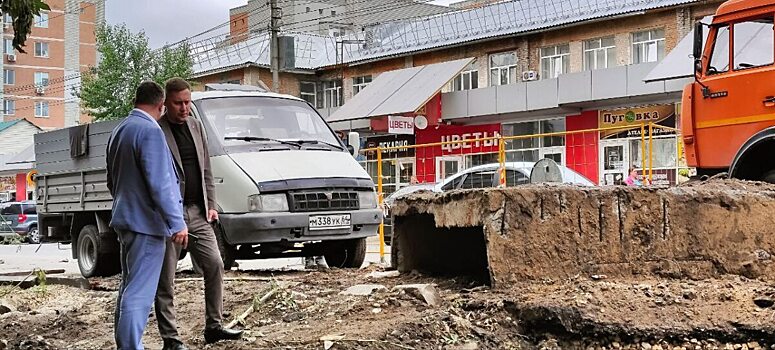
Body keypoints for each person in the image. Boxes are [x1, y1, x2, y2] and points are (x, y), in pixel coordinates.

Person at [155, 78, 243, 349]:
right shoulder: (157, 131)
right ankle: (171, 340)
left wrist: (212, 205)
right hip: (171, 214)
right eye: (178, 103)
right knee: (166, 279)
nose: (184, 108)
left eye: (187, 102)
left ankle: (213, 326)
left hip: (198, 212)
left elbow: (206, 170)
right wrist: (168, 216)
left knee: (215, 264)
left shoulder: (196, 125)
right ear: (166, 104)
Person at [106, 81, 188, 350]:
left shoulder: (120, 130)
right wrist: (176, 222)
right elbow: (160, 183)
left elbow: (112, 180)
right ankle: (131, 346)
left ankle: (126, 344)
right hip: (146, 224)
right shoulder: (150, 131)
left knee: (128, 288)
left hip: (126, 219)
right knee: (139, 293)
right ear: (161, 105)